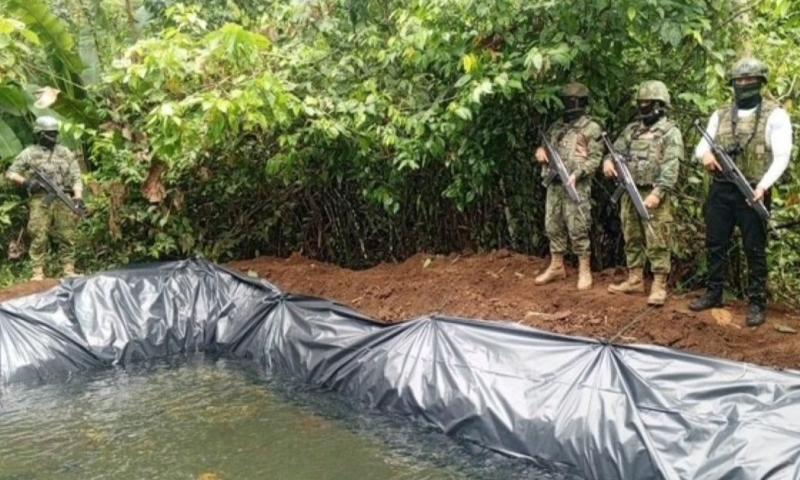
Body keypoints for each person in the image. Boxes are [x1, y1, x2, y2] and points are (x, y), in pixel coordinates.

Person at [689, 57, 792, 326]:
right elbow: (701, 146)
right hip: (722, 189)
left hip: (753, 191)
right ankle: (714, 293)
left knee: (754, 249)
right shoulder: (720, 114)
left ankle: (757, 302)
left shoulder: (775, 115)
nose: (744, 85)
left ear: (760, 83)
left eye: (750, 80)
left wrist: (763, 186)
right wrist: (707, 157)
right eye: (739, 81)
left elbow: (782, 156)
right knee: (715, 243)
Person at [603, 81, 683, 306]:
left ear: (659, 105)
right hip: (629, 191)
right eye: (640, 103)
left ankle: (659, 284)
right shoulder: (632, 130)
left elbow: (671, 166)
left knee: (658, 238)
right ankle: (635, 279)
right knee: (632, 235)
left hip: (654, 194)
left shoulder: (670, 132)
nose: (643, 108)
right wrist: (608, 163)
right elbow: (615, 151)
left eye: (647, 104)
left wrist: (658, 193)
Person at [534, 82, 603, 290]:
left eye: (572, 101)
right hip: (554, 185)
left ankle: (584, 269)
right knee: (552, 225)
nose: (568, 105)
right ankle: (556, 266)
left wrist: (578, 173)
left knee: (578, 226)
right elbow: (544, 149)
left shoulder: (591, 128)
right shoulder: (556, 126)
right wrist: (540, 152)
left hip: (576, 185)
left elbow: (595, 158)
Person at [5, 116, 84, 281]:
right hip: (40, 199)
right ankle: (38, 272)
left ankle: (69, 269)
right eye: (49, 133)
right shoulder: (29, 153)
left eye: (54, 133)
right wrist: (26, 182)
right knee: (38, 234)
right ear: (40, 134)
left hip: (62, 197)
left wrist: (78, 198)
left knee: (67, 234)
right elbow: (11, 173)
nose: (53, 137)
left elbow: (76, 176)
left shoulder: (64, 153)